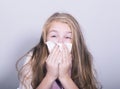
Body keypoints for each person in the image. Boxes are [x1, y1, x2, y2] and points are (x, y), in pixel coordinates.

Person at [16, 12, 101, 89]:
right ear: (45, 39)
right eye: (54, 36)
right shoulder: (33, 58)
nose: (60, 42)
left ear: (75, 42)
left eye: (67, 37)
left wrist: (64, 76)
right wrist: (50, 76)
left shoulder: (84, 59)